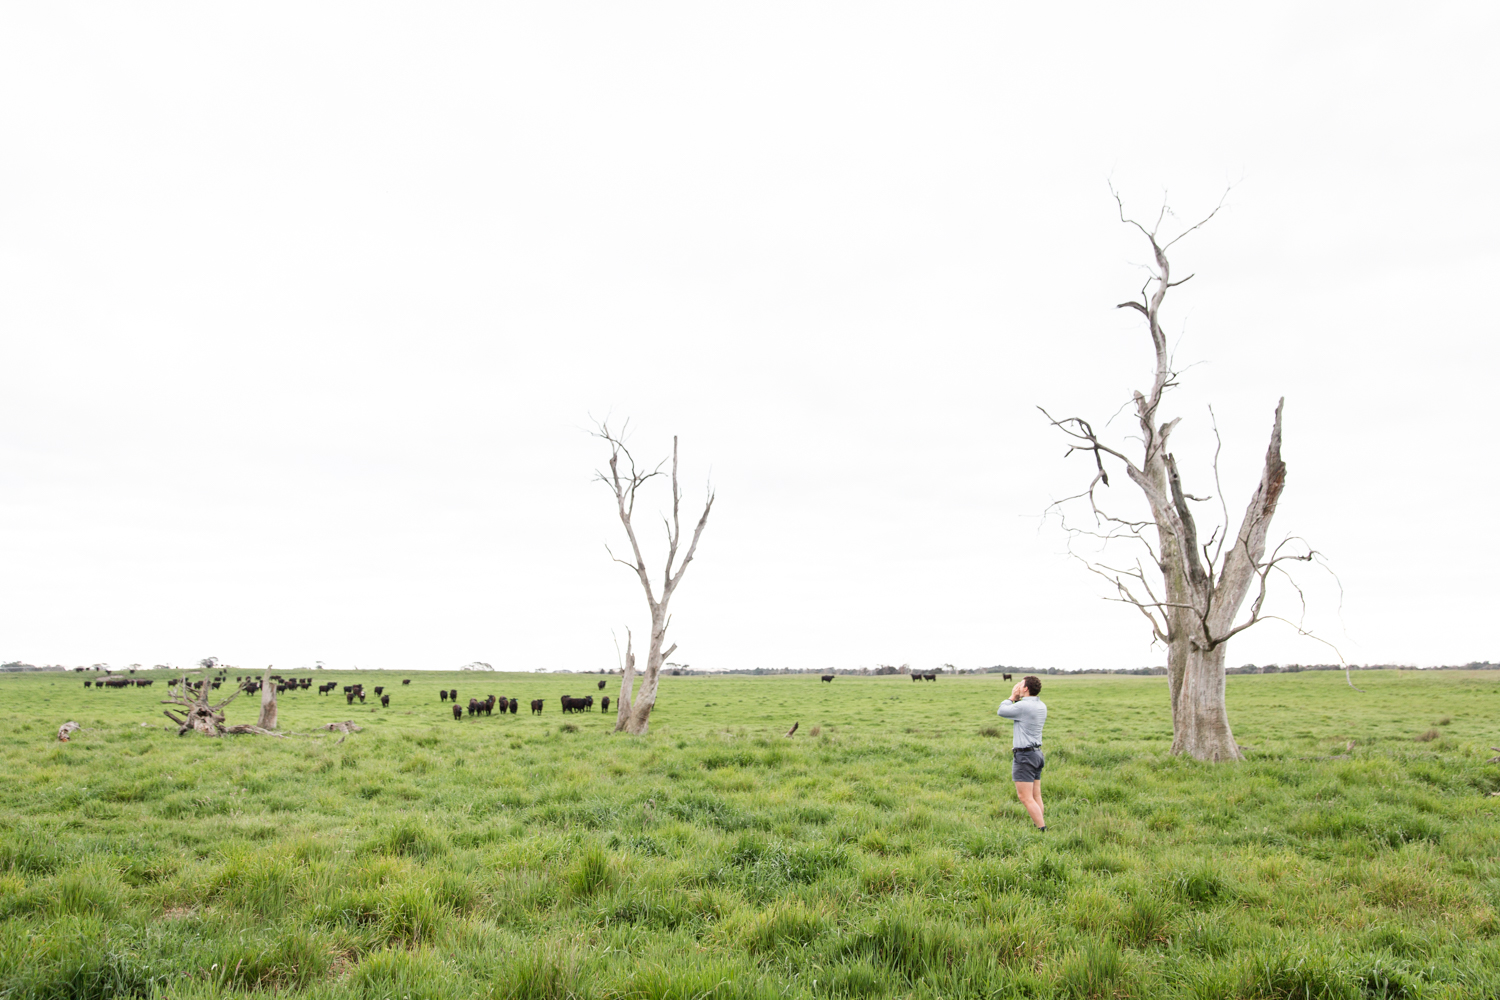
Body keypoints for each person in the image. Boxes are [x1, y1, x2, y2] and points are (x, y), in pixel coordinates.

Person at [997, 675, 1047, 831]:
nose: (1018, 686)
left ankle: (1041, 829)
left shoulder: (1024, 707)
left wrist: (1012, 696)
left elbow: (1002, 711)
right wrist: (1019, 699)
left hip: (1025, 756)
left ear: (1026, 688)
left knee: (1025, 797)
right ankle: (1038, 823)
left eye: (1021, 684)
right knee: (1036, 795)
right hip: (1036, 754)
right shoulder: (1040, 705)